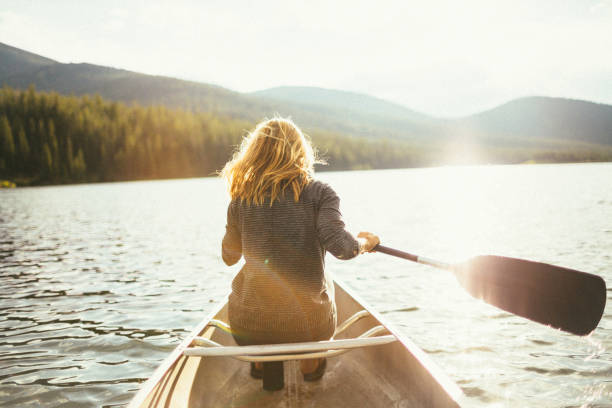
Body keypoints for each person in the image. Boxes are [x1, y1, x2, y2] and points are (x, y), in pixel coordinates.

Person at [220, 117, 380, 381]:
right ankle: (309, 367)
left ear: (254, 154)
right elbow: (342, 248)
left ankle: (263, 367)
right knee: (324, 283)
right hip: (308, 328)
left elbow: (229, 257)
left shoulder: (240, 199)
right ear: (300, 152)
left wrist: (237, 219)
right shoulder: (320, 193)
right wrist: (366, 244)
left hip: (248, 326)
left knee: (260, 303)